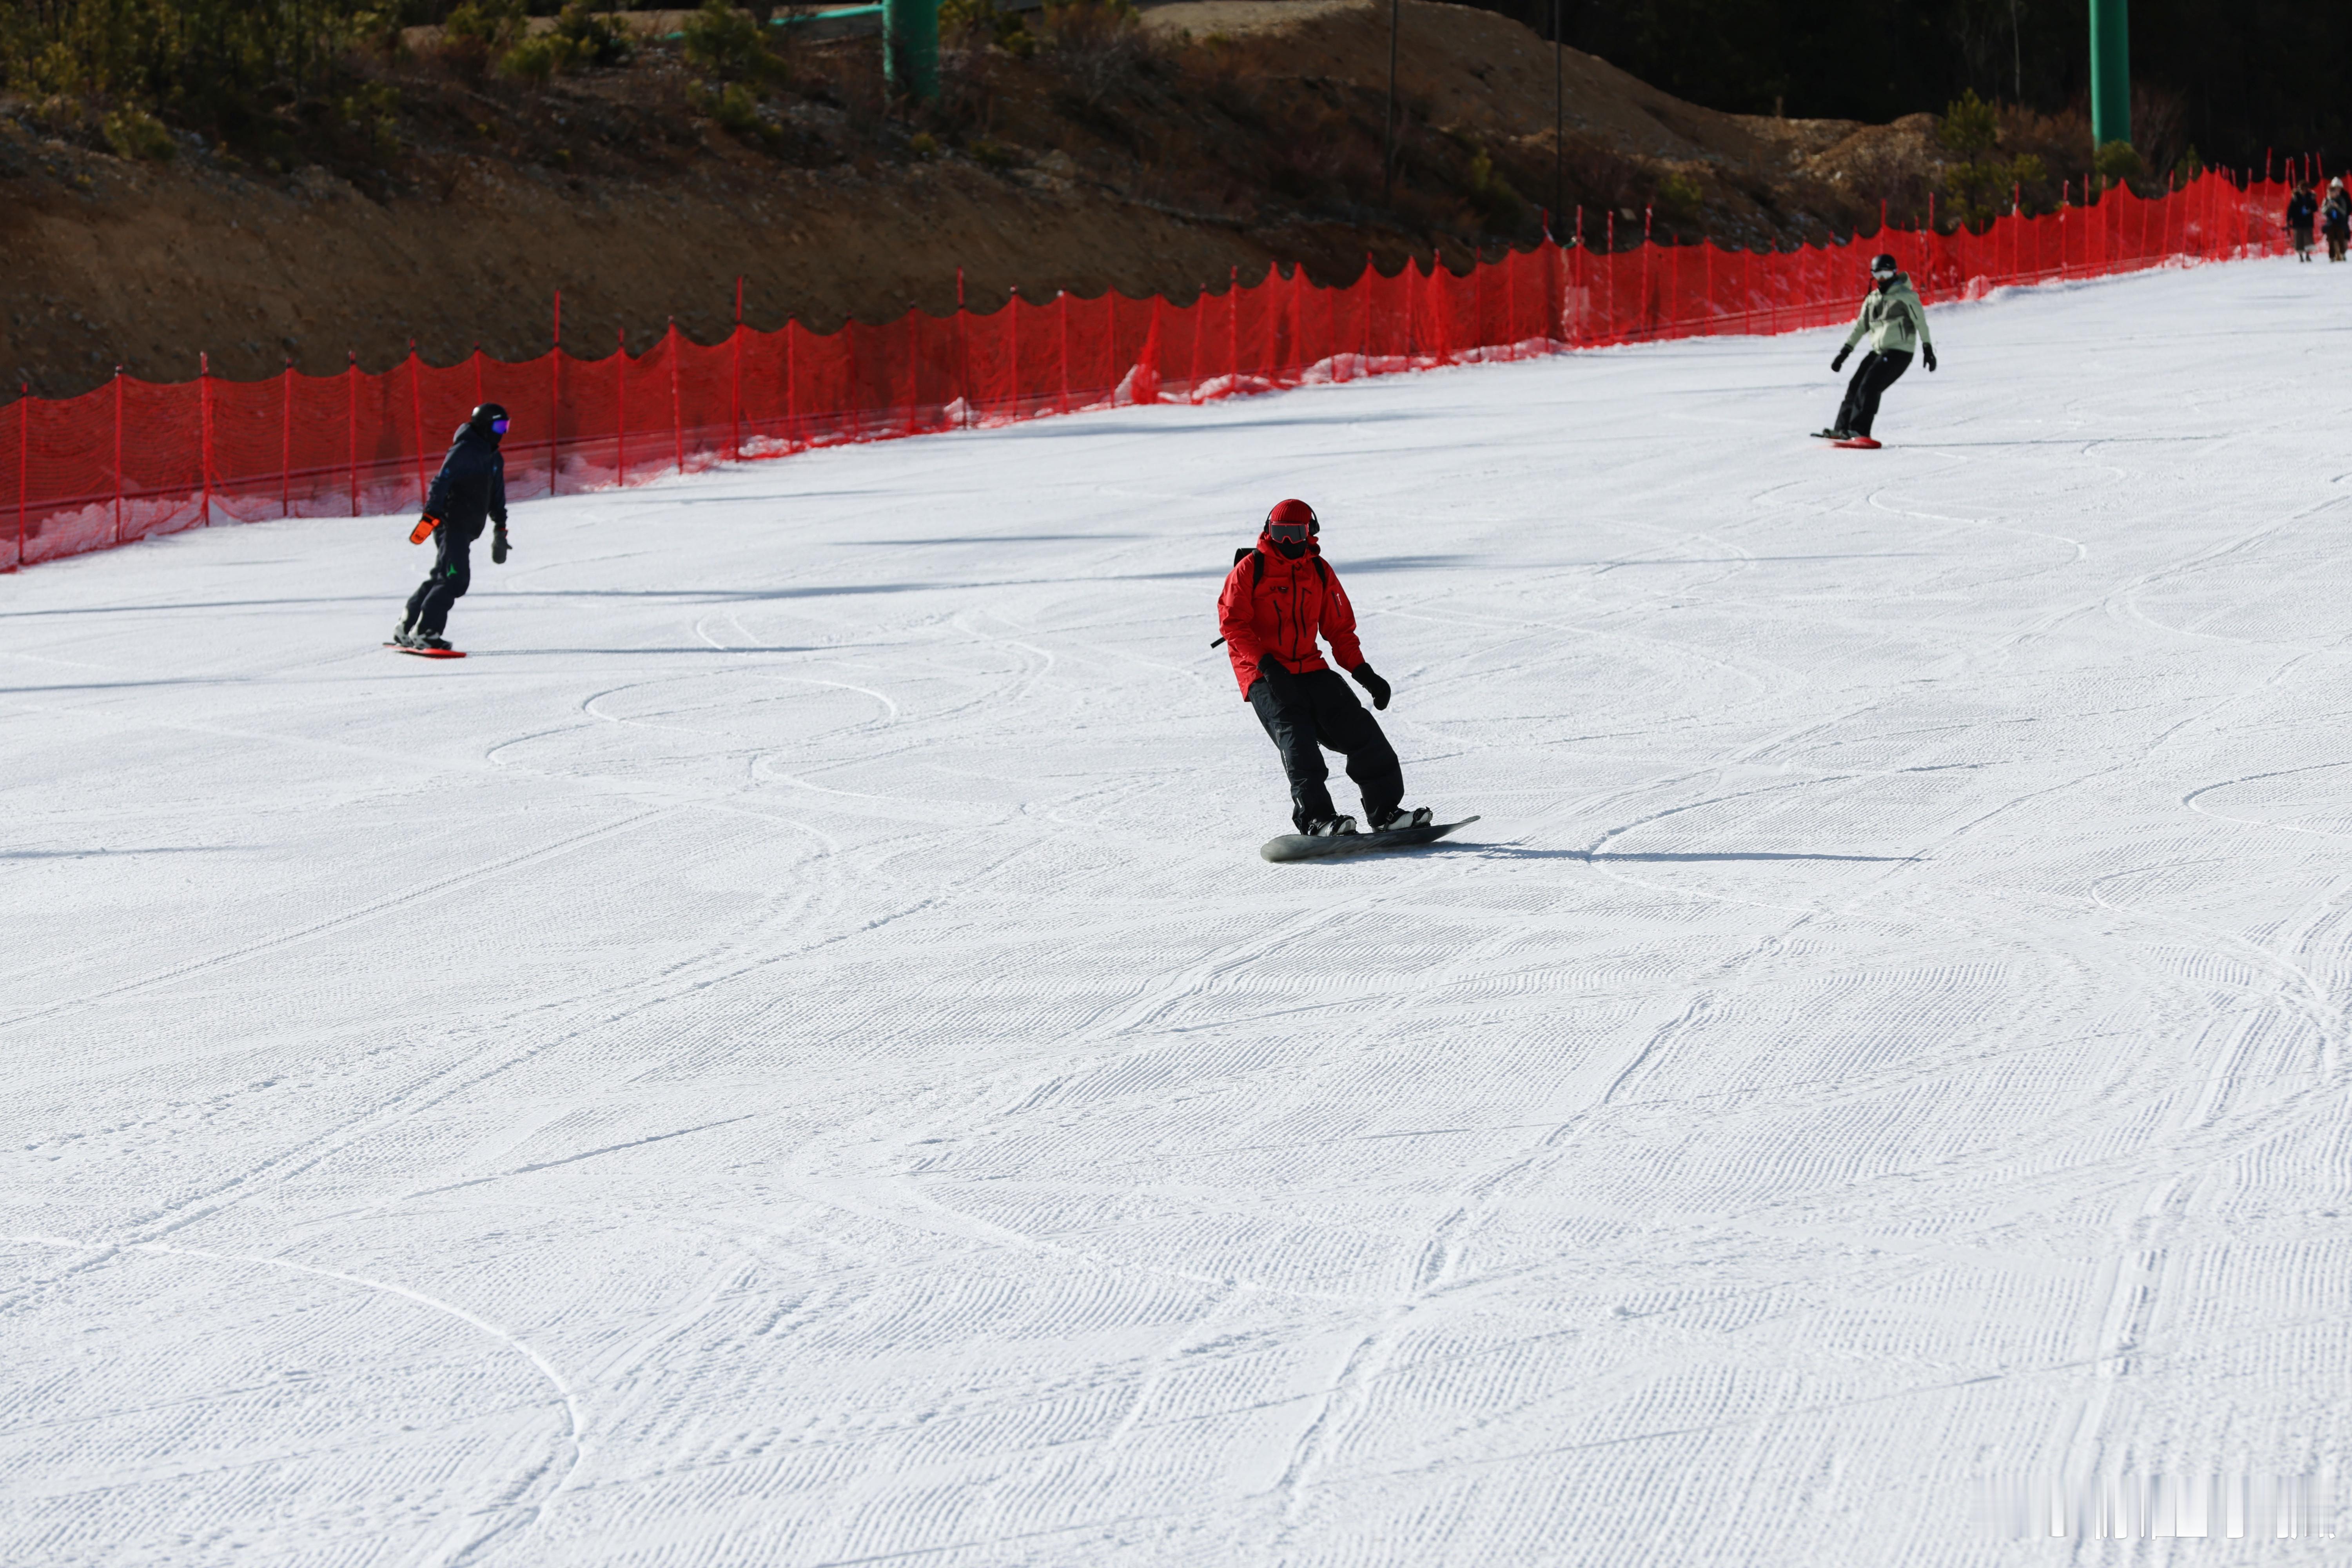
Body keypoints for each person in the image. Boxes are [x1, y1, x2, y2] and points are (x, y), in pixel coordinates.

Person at [1216, 499, 1430, 837]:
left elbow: (1339, 629)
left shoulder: (1318, 571)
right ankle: (1317, 819)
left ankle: (1386, 812)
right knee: (1298, 742)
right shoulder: (1250, 570)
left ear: (1310, 533)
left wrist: (1363, 673)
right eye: (1279, 533)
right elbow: (1233, 625)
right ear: (1268, 531)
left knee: (1363, 732)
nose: (1286, 542)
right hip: (1264, 673)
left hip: (1310, 666)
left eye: (1295, 533)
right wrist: (1268, 667)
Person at [396, 403, 510, 650]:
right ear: (484, 426)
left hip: (468, 528)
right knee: (455, 580)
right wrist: (432, 515)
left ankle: (406, 628)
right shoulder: (464, 450)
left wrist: (500, 529)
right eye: (499, 426)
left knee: (442, 576)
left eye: (506, 426)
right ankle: (427, 633)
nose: (503, 432)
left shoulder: (494, 457)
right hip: (451, 524)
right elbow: (441, 482)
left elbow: (497, 496)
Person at [1814, 253, 1935, 445]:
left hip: (1900, 351)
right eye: (1878, 275)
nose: (1882, 280)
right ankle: (1842, 429)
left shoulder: (1907, 296)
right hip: (1879, 351)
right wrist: (1844, 353)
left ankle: (1860, 431)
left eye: (1886, 275)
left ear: (1895, 273)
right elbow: (1861, 327)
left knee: (1870, 386)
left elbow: (1921, 322)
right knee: (1855, 385)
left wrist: (1928, 348)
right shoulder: (1872, 299)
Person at [2287, 183, 2318, 262]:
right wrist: (2288, 220)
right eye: (2302, 190)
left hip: (2308, 222)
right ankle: (2301, 256)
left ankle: (2308, 255)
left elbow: (2315, 208)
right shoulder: (2295, 198)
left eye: (2305, 190)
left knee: (2308, 239)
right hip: (2297, 222)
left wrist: (2310, 210)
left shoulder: (2311, 197)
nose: (2303, 191)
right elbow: (2291, 210)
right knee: (2299, 240)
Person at [2323, 178, 2350, 262]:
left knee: (2343, 239)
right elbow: (2323, 211)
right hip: (2331, 223)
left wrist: (2337, 207)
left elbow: (2346, 210)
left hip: (2342, 222)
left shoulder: (2345, 197)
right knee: (2333, 240)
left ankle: (2342, 254)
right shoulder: (2327, 199)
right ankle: (2335, 255)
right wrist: (2329, 207)